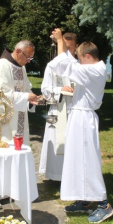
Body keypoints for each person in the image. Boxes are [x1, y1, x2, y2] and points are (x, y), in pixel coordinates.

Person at [49, 28, 113, 223]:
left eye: (79, 57)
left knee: (88, 161)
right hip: (80, 117)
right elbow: (67, 63)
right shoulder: (92, 69)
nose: (77, 61)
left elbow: (63, 65)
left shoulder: (93, 71)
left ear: (87, 56)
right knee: (78, 159)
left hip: (84, 118)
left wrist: (61, 41)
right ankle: (85, 200)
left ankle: (104, 205)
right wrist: (61, 43)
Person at [39, 32, 78, 181]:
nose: (68, 52)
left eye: (71, 48)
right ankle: (56, 176)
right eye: (64, 48)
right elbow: (45, 90)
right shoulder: (52, 66)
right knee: (57, 141)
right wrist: (60, 90)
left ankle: (72, 175)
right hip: (58, 110)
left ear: (76, 47)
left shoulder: (78, 66)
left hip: (74, 110)